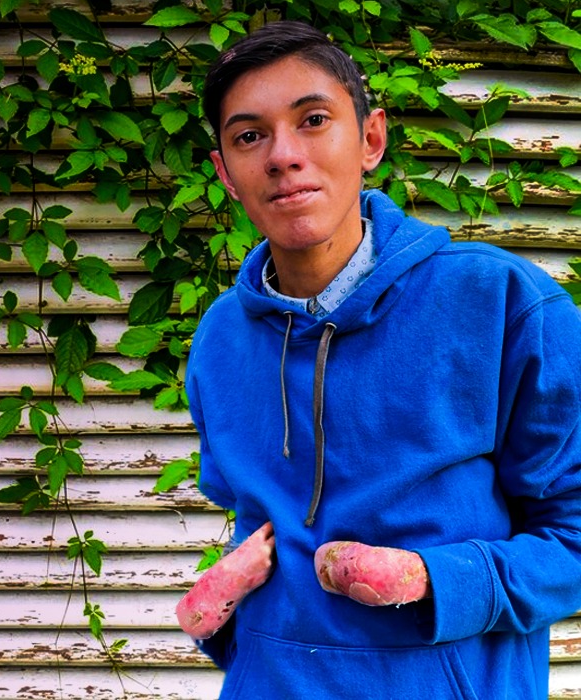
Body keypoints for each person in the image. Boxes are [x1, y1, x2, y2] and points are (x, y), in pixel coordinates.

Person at [176, 20, 581, 699]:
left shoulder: (502, 303)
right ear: (226, 173)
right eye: (249, 136)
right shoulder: (220, 338)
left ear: (371, 139)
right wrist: (225, 606)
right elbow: (256, 519)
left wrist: (433, 581)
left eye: (312, 120)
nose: (282, 155)